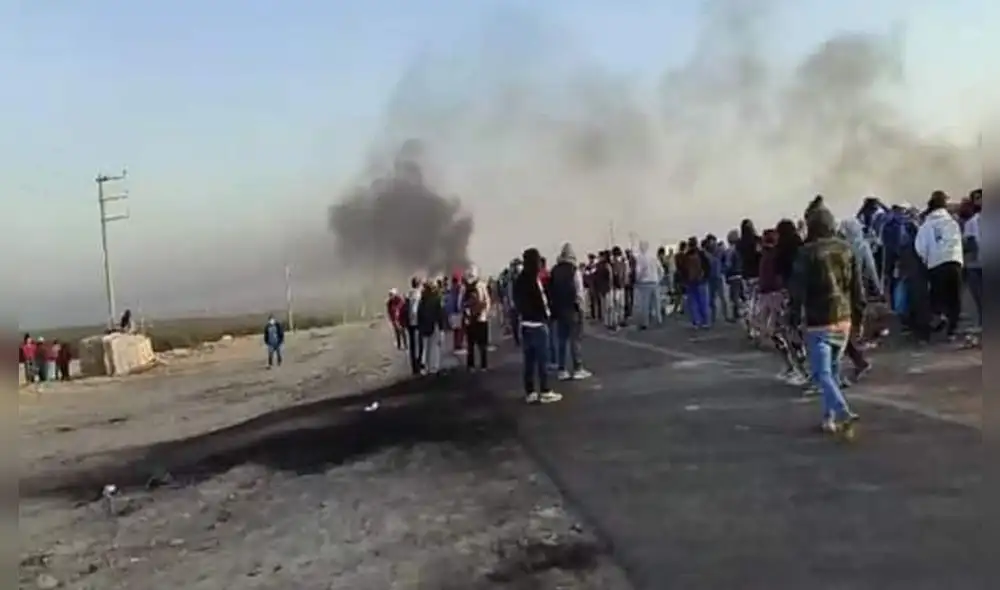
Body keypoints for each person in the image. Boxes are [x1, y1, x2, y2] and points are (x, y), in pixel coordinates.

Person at [788, 205, 864, 433]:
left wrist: (792, 319)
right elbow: (856, 289)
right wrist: (858, 318)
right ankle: (828, 420)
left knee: (822, 375)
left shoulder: (806, 253)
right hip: (844, 320)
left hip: (818, 322)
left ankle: (842, 412)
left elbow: (797, 291)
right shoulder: (846, 249)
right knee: (831, 371)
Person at [514, 247, 562, 404]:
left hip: (525, 324)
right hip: (538, 324)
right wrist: (547, 315)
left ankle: (530, 392)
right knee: (543, 360)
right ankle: (545, 390)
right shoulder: (533, 279)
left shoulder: (519, 280)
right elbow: (541, 301)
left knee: (529, 361)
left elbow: (517, 303)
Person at [915, 191, 964, 339]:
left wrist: (927, 259)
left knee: (938, 296)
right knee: (955, 297)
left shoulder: (926, 226)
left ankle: (940, 316)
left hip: (936, 265)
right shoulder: (952, 222)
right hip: (954, 262)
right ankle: (952, 331)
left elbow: (920, 247)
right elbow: (958, 242)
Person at [548, 242, 591, 380]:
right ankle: (578, 368)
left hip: (559, 310)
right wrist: (582, 308)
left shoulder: (554, 271)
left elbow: (550, 291)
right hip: (573, 309)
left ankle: (562, 369)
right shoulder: (574, 270)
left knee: (561, 340)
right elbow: (579, 291)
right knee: (575, 339)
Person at [462, 265, 491, 371]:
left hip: (470, 319)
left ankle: (471, 365)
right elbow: (487, 301)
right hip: (481, 319)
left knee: (471, 344)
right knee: (482, 344)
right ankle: (483, 365)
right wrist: (484, 313)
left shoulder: (464, 287)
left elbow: (461, 303)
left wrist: (466, 315)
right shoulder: (482, 285)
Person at [417, 278, 447, 374]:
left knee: (425, 348)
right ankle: (433, 367)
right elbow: (441, 315)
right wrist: (442, 328)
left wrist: (419, 325)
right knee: (434, 348)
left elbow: (419, 313)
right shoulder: (437, 299)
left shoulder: (423, 299)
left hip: (424, 326)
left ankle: (425, 367)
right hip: (434, 326)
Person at [682, 237, 712, 329]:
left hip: (690, 282)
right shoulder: (701, 254)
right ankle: (705, 321)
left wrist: (685, 280)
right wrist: (706, 276)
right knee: (703, 302)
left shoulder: (686, 255)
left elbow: (683, 269)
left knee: (693, 302)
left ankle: (696, 321)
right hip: (701, 281)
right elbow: (708, 266)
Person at [962, 189, 982, 329]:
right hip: (976, 264)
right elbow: (969, 243)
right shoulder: (971, 222)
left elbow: (969, 244)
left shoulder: (971, 222)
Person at [632, 240, 662, 329]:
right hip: (655, 282)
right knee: (657, 303)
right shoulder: (653, 257)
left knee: (645, 304)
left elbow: (639, 271)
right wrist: (658, 279)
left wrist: (637, 280)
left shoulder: (640, 258)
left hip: (644, 283)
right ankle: (658, 319)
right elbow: (661, 270)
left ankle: (645, 322)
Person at [398, 277, 425, 375]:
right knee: (420, 345)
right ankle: (419, 364)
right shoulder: (418, 294)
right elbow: (414, 310)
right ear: (418, 284)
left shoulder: (408, 294)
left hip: (410, 323)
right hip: (417, 322)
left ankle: (414, 366)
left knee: (413, 346)